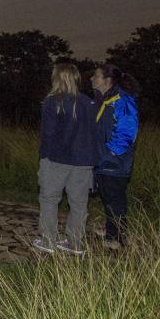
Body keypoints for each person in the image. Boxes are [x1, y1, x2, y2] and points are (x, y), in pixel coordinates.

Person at [33, 63, 97, 255]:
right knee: (78, 202)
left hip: (57, 159)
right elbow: (94, 132)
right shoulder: (88, 102)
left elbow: (48, 133)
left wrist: (43, 157)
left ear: (56, 78)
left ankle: (48, 240)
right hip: (84, 160)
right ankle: (75, 243)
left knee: (49, 198)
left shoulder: (53, 101)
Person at [91, 64, 140, 249]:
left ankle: (116, 240)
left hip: (114, 162)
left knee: (115, 201)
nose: (92, 79)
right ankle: (111, 231)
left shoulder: (122, 100)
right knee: (108, 198)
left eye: (96, 76)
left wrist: (109, 152)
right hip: (103, 161)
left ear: (107, 80)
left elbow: (127, 132)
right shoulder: (102, 100)